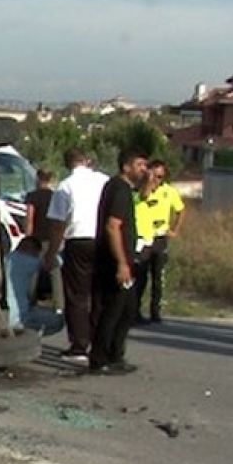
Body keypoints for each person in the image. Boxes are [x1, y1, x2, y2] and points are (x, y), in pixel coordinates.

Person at [89, 148, 149, 375]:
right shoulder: (119, 190)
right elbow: (113, 227)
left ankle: (115, 355)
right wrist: (122, 263)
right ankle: (100, 358)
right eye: (140, 165)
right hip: (115, 261)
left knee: (127, 310)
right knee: (113, 311)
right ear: (126, 167)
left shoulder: (122, 188)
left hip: (123, 259)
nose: (143, 170)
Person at [44, 149, 110, 356]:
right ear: (88, 161)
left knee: (77, 295)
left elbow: (58, 224)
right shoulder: (104, 181)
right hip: (103, 239)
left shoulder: (66, 186)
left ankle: (80, 344)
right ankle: (102, 340)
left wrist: (50, 254)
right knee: (99, 293)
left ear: (68, 164)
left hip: (78, 240)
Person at [134, 159, 186, 324]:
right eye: (154, 176)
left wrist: (175, 229)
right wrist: (148, 183)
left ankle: (155, 311)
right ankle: (135, 310)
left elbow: (181, 210)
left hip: (160, 237)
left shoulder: (169, 192)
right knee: (140, 276)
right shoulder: (139, 190)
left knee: (158, 276)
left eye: (160, 177)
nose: (157, 180)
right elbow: (143, 196)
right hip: (143, 237)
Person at [3, 235, 65, 336]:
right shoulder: (34, 262)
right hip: (19, 318)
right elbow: (56, 264)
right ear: (36, 252)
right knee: (58, 321)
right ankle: (30, 335)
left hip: (1, 314)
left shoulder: (5, 259)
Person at [24, 170, 63, 310]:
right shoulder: (55, 196)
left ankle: (30, 300)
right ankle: (58, 304)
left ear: (37, 178)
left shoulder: (32, 196)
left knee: (32, 270)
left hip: (37, 237)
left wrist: (28, 237)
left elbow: (30, 218)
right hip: (51, 237)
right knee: (54, 270)